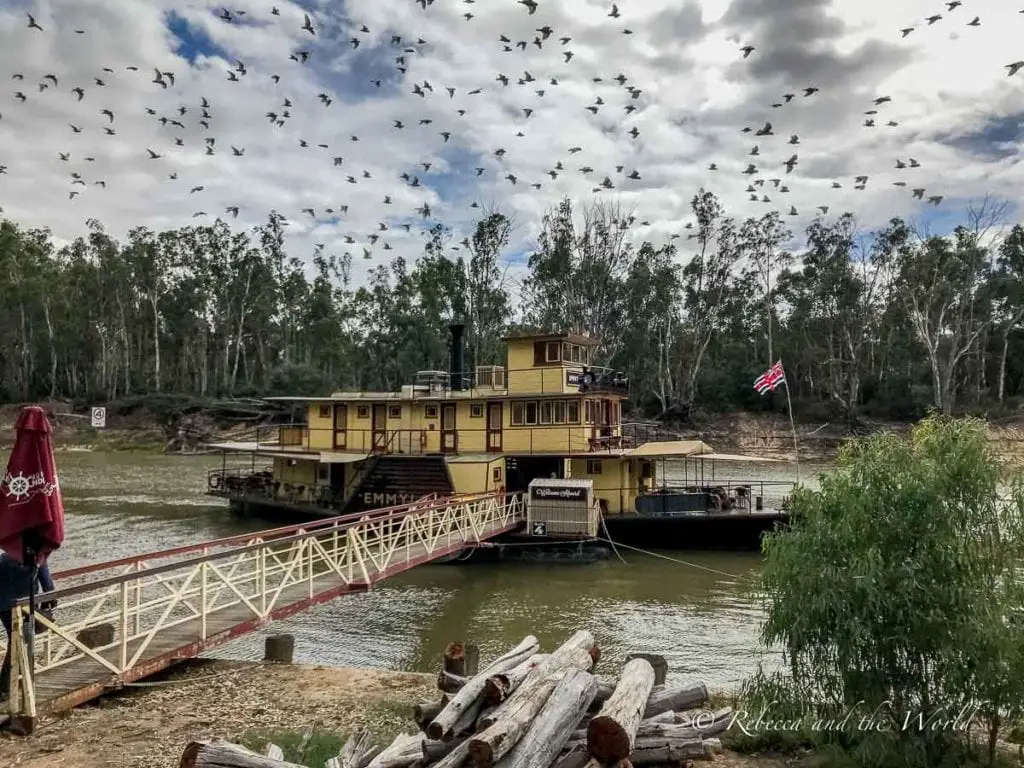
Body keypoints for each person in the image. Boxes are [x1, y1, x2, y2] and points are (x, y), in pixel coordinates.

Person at [0, 552, 55, 701]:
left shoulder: (3, 558)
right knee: (19, 641)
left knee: (16, 640)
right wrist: (48, 604)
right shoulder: (38, 558)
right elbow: (48, 586)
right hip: (26, 606)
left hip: (4, 606)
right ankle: (5, 686)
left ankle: (12, 680)